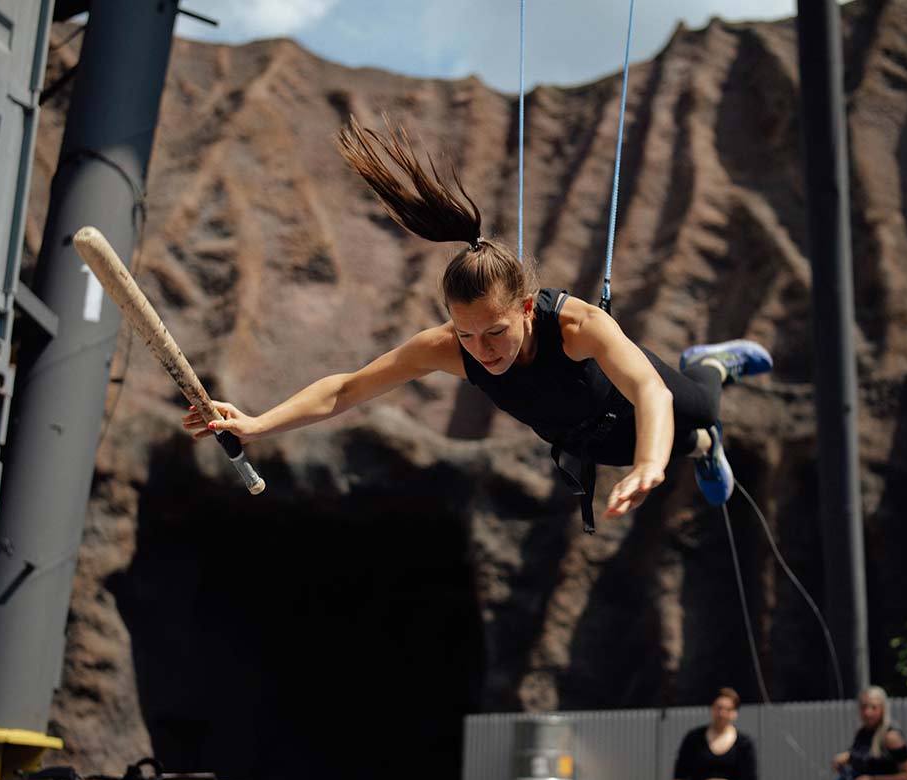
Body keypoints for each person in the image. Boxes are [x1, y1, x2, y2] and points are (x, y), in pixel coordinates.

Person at [182, 118, 772, 530]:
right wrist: (259, 424)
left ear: (524, 307)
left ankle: (711, 366)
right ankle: (694, 450)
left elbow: (647, 390)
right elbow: (345, 388)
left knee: (700, 411)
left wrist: (649, 465)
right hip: (587, 439)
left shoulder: (577, 326)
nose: (481, 350)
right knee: (675, 447)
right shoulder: (448, 348)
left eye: (495, 332)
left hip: (640, 406)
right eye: (466, 334)